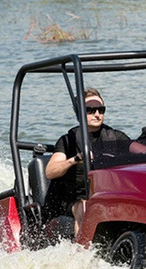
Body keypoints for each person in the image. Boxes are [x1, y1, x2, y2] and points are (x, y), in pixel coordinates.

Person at [44, 88, 129, 237]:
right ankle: (83, 255)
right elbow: (50, 171)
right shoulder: (68, 140)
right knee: (84, 207)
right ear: (80, 113)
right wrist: (75, 159)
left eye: (100, 110)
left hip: (104, 195)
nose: (97, 114)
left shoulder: (115, 136)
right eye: (91, 110)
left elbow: (142, 151)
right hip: (72, 200)